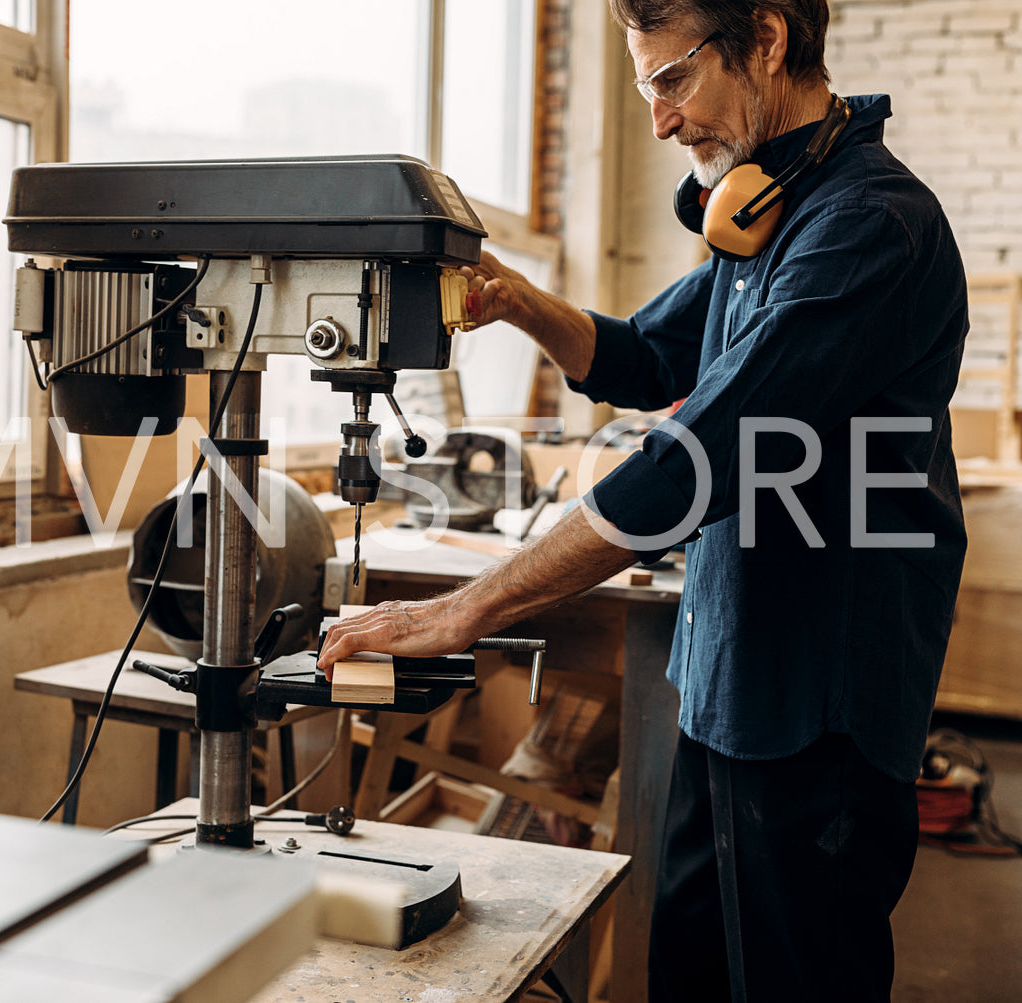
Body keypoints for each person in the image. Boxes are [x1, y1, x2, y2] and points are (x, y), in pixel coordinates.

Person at [319, 1, 969, 1000]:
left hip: (816, 708)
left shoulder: (866, 228)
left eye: (672, 81)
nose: (660, 120)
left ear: (765, 39)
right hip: (728, 686)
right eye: (645, 90)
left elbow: (694, 458)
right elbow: (644, 355)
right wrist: (515, 297)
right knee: (691, 974)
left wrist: (460, 611)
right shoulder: (769, 219)